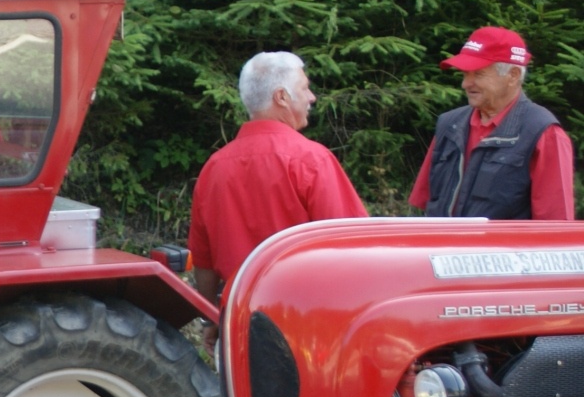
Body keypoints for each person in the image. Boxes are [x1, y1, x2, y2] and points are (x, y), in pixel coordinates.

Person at [187, 52, 368, 334]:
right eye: (305, 88)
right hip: (304, 323)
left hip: (239, 323)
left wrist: (211, 319)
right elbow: (353, 247)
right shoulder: (311, 160)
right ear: (281, 97)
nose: (312, 97)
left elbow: (204, 261)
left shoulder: (214, 168)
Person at [409, 27, 574, 220]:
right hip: (443, 240)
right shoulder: (449, 125)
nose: (465, 84)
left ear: (513, 75)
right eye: (465, 74)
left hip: (504, 242)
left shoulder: (543, 132)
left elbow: (555, 225)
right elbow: (424, 205)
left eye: (478, 74)